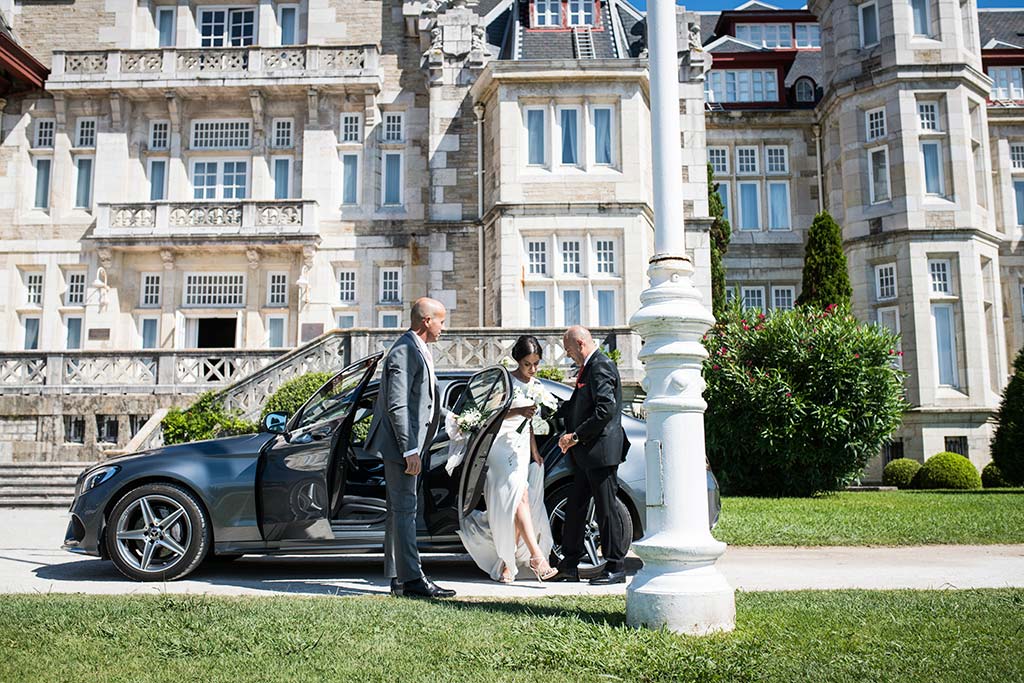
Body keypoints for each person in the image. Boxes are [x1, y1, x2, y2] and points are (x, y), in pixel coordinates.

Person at [364, 297, 457, 599]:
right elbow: (397, 404)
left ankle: (398, 578)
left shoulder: (419, 349)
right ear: (427, 321)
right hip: (401, 448)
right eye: (442, 321)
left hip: (410, 445)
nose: (444, 327)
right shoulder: (404, 350)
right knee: (405, 511)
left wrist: (454, 418)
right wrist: (409, 450)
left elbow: (425, 401)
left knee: (398, 511)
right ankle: (413, 580)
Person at [457, 335, 559, 583]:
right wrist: (516, 410)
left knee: (513, 503)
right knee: (519, 495)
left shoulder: (535, 385)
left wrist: (535, 450)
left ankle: (506, 564)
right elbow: (486, 416)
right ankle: (537, 558)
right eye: (527, 364)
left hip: (521, 448)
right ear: (517, 360)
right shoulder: (504, 382)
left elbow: (530, 423)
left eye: (536, 364)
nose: (532, 369)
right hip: (499, 447)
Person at [550, 326, 630, 585]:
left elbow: (605, 410)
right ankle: (569, 565)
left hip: (601, 453)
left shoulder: (600, 366)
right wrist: (548, 408)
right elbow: (576, 404)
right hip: (586, 456)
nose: (568, 354)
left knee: (606, 510)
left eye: (569, 350)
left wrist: (574, 437)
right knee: (575, 508)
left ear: (581, 344)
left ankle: (616, 567)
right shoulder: (588, 366)